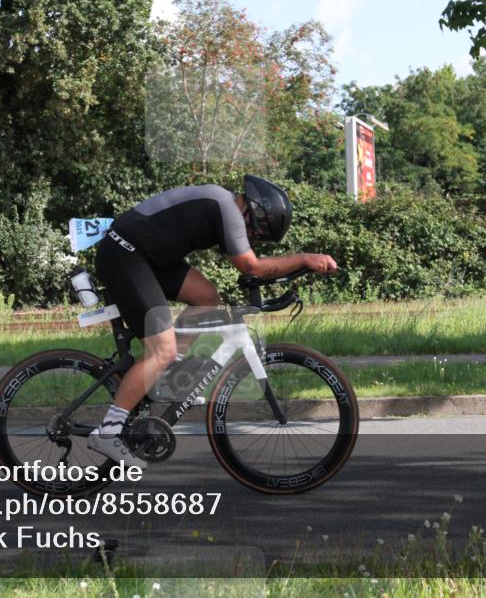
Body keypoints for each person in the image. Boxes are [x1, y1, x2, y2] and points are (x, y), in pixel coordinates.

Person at [87, 175, 338, 467]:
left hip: (150, 256)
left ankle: (169, 376)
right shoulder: (226, 206)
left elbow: (251, 268)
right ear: (255, 212)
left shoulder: (226, 208)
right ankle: (108, 430)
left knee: (206, 297)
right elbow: (251, 265)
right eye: (257, 233)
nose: (253, 238)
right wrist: (304, 259)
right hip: (126, 255)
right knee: (162, 350)